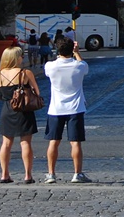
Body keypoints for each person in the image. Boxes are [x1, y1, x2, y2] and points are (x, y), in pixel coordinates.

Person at [44, 38, 91, 184]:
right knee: (75, 142)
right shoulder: (79, 66)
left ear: (58, 50)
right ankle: (77, 173)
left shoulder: (50, 66)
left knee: (53, 142)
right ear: (72, 49)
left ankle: (51, 174)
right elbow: (85, 67)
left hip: (56, 108)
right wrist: (77, 53)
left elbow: (48, 70)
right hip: (75, 108)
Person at [0, 46, 39, 184]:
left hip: (7, 110)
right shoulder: (26, 73)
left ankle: (4, 174)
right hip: (24, 110)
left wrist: (7, 99)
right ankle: (28, 175)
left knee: (6, 143)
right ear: (16, 58)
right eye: (21, 56)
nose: (22, 58)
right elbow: (37, 91)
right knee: (25, 143)